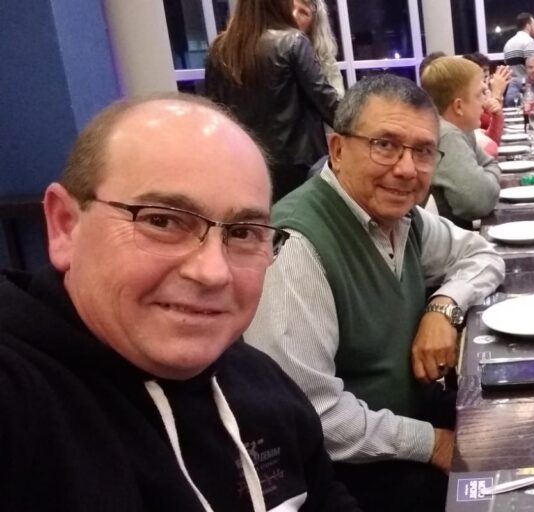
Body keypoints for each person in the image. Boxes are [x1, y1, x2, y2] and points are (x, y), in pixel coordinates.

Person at [0, 93, 360, 511]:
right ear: (65, 226)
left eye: (243, 232)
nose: (213, 273)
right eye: (162, 221)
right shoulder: (20, 402)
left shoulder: (264, 384)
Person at [245, 74, 504, 512]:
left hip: (411, 424)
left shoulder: (404, 219)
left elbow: (482, 255)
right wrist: (434, 443)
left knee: (519, 432)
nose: (406, 169)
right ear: (337, 150)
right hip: (349, 476)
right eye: (385, 145)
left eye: (423, 151)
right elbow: (314, 414)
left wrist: (443, 307)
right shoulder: (296, 247)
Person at [205, 0, 339, 203]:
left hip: (243, 161)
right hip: (296, 164)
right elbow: (325, 100)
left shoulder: (219, 48)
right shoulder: (293, 41)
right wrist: (364, 125)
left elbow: (213, 112)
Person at [421, 57, 501, 228]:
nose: (484, 102)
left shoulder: (461, 130)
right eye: (479, 95)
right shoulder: (447, 136)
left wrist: (486, 177)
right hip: (450, 243)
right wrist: (488, 178)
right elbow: (479, 203)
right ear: (458, 106)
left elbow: (490, 163)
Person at [293, 0, 344, 94]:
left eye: (303, 12)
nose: (294, 15)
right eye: (291, 8)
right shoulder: (269, 48)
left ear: (313, 25)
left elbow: (338, 97)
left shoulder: (324, 57)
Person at [462, 52, 512, 149]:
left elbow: (492, 142)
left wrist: (496, 102)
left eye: (486, 76)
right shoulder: (466, 102)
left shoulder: (484, 95)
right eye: (482, 78)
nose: (485, 84)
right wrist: (496, 96)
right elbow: (489, 146)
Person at [502, 12, 534, 80]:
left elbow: (508, 66)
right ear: (528, 26)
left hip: (512, 83)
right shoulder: (528, 41)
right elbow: (532, 67)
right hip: (526, 83)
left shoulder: (508, 43)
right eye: (533, 25)